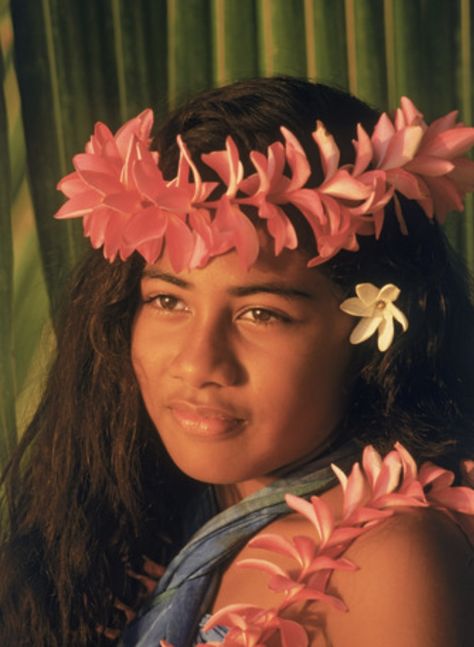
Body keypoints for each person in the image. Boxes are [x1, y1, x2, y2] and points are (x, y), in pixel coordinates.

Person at [0, 77, 473, 646]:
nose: (199, 363)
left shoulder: (388, 561)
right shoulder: (119, 531)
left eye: (261, 314)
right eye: (168, 301)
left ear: (374, 331)